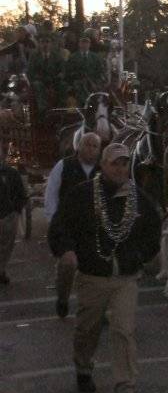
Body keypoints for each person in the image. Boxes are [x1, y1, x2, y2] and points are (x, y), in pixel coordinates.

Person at [48, 143, 161, 393]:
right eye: (115, 164)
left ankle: (126, 390)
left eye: (125, 164)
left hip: (125, 277)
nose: (121, 169)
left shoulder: (138, 198)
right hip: (93, 277)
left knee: (123, 330)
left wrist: (139, 257)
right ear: (103, 166)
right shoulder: (82, 195)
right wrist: (67, 252)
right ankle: (83, 366)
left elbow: (152, 231)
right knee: (88, 328)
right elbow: (60, 226)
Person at [44, 132, 102, 317]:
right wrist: (54, 221)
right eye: (87, 145)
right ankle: (63, 297)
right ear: (79, 146)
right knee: (69, 263)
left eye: (95, 146)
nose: (91, 149)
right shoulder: (64, 166)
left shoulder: (103, 170)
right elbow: (51, 194)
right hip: (66, 226)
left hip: (93, 228)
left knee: (98, 270)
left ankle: (96, 309)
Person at [0, 139, 28, 284]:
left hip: (8, 216)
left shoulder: (11, 173)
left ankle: (1, 270)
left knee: (6, 247)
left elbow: (21, 194)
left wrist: (16, 211)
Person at [27, 33, 65, 114]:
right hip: (40, 80)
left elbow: (62, 68)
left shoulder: (56, 55)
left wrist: (60, 75)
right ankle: (43, 110)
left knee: (63, 85)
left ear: (51, 44)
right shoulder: (34, 56)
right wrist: (36, 78)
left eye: (47, 42)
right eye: (42, 42)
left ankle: (61, 108)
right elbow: (30, 71)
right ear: (39, 44)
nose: (45, 44)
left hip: (54, 79)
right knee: (37, 85)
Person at [65, 35, 105, 105]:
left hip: (93, 82)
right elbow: (68, 72)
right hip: (78, 82)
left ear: (90, 44)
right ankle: (84, 106)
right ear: (79, 44)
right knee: (80, 88)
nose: (84, 45)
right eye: (82, 42)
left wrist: (97, 82)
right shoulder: (73, 57)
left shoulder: (95, 57)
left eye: (86, 43)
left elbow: (100, 71)